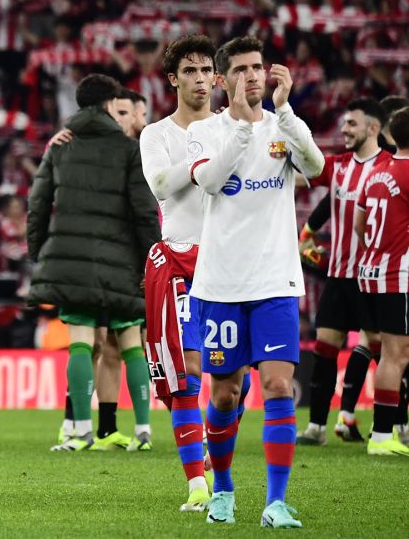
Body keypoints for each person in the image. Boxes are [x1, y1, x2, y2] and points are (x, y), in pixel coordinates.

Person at [186, 36, 323, 527]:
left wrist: (284, 114)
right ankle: (222, 487)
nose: (252, 76)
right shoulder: (205, 131)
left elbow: (315, 166)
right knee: (225, 395)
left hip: (276, 282)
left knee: (279, 385)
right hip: (221, 285)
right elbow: (209, 181)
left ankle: (276, 502)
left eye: (258, 67)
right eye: (241, 69)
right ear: (222, 80)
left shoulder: (284, 127)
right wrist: (244, 129)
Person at [28, 74, 160, 453]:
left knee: (82, 344)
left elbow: (37, 204)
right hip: (120, 260)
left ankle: (81, 430)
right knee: (131, 342)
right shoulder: (127, 149)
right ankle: (144, 431)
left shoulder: (60, 145)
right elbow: (143, 212)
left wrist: (41, 255)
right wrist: (152, 258)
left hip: (72, 263)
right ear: (107, 105)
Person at [140, 35, 241, 511]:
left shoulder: (234, 128)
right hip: (178, 259)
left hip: (228, 262)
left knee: (229, 380)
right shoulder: (156, 134)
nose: (200, 80)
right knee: (188, 374)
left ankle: (214, 459)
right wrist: (203, 159)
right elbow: (161, 184)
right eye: (190, 72)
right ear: (173, 79)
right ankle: (196, 484)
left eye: (206, 71)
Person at [296, 98, 390, 446]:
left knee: (387, 352)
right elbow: (309, 183)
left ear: (373, 128)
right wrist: (306, 235)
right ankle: (317, 428)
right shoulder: (337, 166)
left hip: (376, 277)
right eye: (344, 123)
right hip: (339, 275)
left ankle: (394, 426)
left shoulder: (391, 167)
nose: (344, 129)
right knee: (325, 347)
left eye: (352, 123)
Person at [355, 107, 409, 456]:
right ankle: (382, 435)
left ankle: (389, 429)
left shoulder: (377, 171)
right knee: (396, 355)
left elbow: (360, 225)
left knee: (391, 352)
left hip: (370, 271)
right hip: (398, 276)